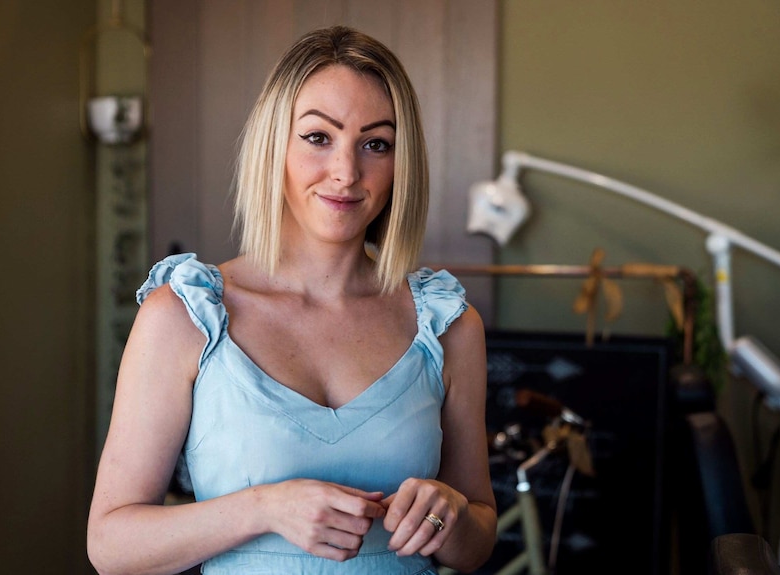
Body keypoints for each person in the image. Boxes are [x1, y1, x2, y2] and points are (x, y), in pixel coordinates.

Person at [87, 25, 497, 575]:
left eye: (376, 143)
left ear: (402, 163)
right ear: (273, 144)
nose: (347, 173)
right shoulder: (184, 315)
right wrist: (264, 508)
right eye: (318, 137)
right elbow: (111, 546)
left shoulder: (447, 325)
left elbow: (475, 541)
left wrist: (451, 516)